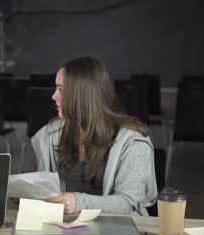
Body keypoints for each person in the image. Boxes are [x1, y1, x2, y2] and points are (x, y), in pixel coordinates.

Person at [32, 56, 157, 216]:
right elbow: (48, 191)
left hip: (116, 231)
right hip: (65, 229)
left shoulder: (133, 142)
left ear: (83, 96)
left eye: (61, 90)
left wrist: (79, 202)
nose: (53, 96)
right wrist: (31, 195)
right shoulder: (49, 134)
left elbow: (127, 202)